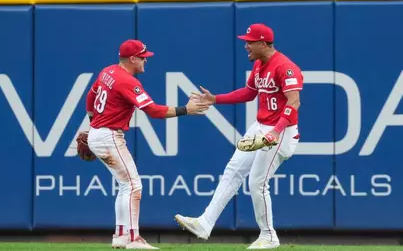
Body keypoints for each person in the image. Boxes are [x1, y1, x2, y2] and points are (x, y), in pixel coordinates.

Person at [174, 23, 303, 250]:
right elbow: (249, 93)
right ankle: (205, 223)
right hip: (261, 126)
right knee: (232, 171)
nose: (246, 46)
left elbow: (294, 102)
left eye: (250, 41)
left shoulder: (285, 67)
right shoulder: (259, 65)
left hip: (281, 131)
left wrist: (275, 131)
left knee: (257, 183)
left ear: (263, 43)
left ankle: (269, 235)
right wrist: (216, 99)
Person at [85, 39, 209, 250]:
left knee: (126, 186)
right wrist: (185, 110)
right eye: (143, 57)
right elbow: (153, 111)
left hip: (98, 133)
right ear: (132, 59)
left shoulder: (108, 71)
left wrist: (92, 123)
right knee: (134, 186)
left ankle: (121, 236)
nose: (145, 61)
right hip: (108, 136)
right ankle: (134, 239)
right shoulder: (127, 81)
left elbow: (91, 95)